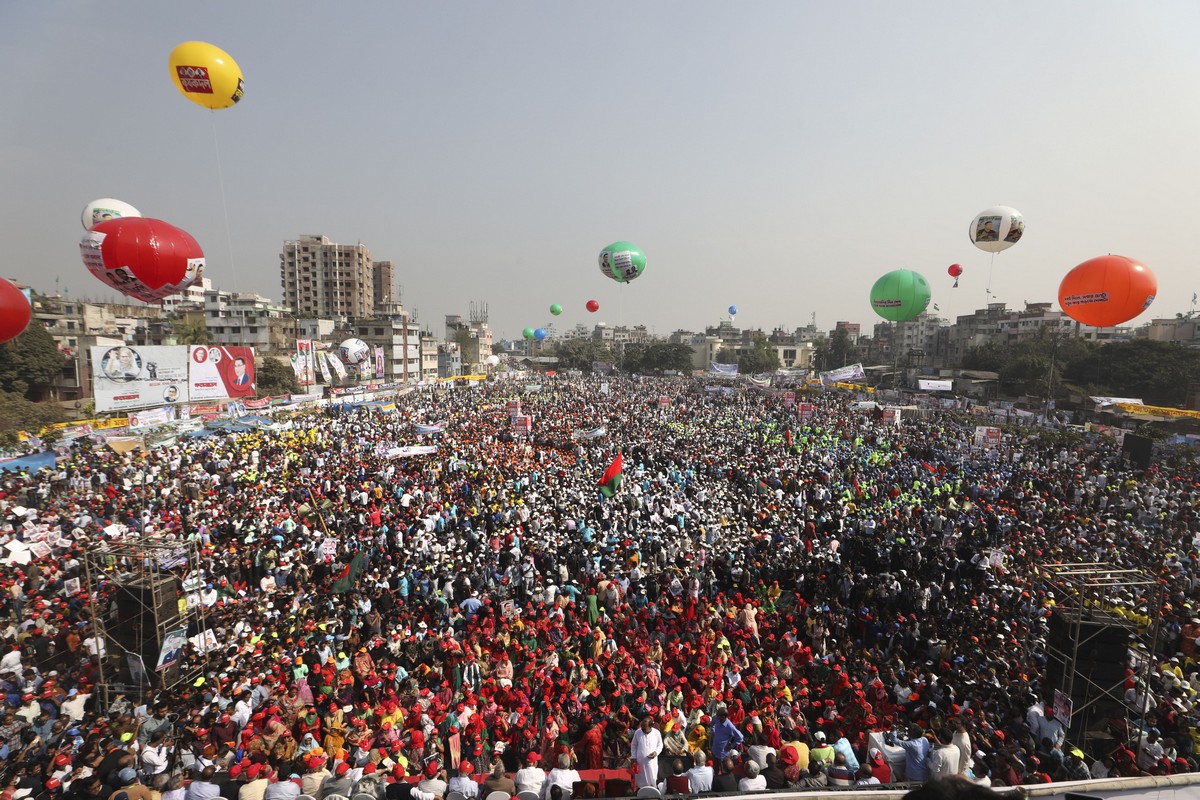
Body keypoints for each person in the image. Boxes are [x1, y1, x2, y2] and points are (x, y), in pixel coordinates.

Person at [631, 717, 663, 790]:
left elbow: (660, 745)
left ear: (651, 726)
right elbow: (634, 745)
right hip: (640, 761)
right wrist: (634, 757)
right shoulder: (638, 732)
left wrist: (656, 752)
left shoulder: (656, 733)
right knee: (640, 781)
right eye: (642, 728)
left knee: (652, 779)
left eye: (645, 729)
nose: (643, 730)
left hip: (652, 762)